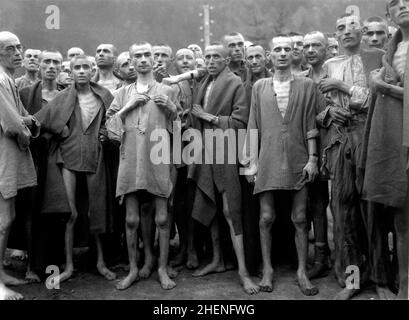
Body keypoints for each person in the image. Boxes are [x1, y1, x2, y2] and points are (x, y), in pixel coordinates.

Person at [244, 34, 320, 296]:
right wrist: (250, 163)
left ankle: (301, 271)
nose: (284, 53)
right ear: (270, 55)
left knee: (299, 218)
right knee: (266, 217)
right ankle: (267, 269)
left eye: (288, 49)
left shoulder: (307, 85)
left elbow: (311, 125)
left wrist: (313, 159)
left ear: (293, 53)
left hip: (299, 157)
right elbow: (253, 125)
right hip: (267, 158)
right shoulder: (260, 87)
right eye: (278, 49)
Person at [317, 13, 383, 299]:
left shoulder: (377, 58)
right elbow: (318, 110)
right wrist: (330, 112)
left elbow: (373, 99)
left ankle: (381, 276)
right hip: (340, 140)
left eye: (352, 26)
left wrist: (341, 87)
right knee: (344, 211)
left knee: (372, 209)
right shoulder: (329, 64)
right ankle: (353, 278)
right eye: (340, 28)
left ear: (363, 31)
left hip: (370, 136)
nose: (347, 32)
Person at [35, 55, 116, 284]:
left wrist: (104, 133)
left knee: (96, 210)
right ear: (70, 72)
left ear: (92, 70)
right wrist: (58, 130)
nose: (81, 71)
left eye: (85, 67)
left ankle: (100, 262)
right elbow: (39, 121)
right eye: (76, 68)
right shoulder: (63, 97)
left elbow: (115, 120)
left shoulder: (104, 95)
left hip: (94, 155)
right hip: (67, 156)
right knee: (71, 213)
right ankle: (69, 266)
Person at [106, 42, 179, 291]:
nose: (143, 59)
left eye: (147, 54)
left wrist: (171, 109)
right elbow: (110, 129)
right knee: (131, 220)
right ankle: (134, 269)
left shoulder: (168, 90)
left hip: (158, 157)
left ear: (152, 59)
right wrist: (130, 106)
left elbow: (179, 127)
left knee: (161, 217)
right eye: (137, 56)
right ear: (132, 61)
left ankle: (161, 269)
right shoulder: (122, 93)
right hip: (131, 159)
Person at [187, 41, 259, 295]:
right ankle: (217, 261)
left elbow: (242, 121)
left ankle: (243, 272)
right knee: (212, 204)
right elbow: (192, 116)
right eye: (207, 57)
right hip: (204, 151)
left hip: (227, 152)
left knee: (231, 210)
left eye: (216, 56)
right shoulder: (203, 83)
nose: (210, 61)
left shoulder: (236, 83)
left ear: (227, 60)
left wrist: (210, 118)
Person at [360, 0, 409, 300]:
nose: (403, 5)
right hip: (391, 140)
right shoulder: (393, 49)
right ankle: (401, 285)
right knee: (400, 217)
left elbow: (385, 89)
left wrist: (384, 88)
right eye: (396, 3)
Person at [18, 50, 64, 282]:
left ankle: (56, 261)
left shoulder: (67, 94)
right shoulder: (25, 93)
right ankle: (31, 263)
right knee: (30, 209)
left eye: (56, 62)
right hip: (33, 157)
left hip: (60, 157)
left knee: (57, 209)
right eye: (47, 61)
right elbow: (19, 123)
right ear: (40, 65)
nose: (51, 66)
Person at [0, 31, 40, 300]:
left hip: (10, 154)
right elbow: (13, 123)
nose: (17, 52)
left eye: (19, 47)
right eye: (9, 48)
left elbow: (22, 115)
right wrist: (28, 133)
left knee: (8, 216)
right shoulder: (0, 80)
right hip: (4, 154)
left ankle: (1, 274)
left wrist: (30, 122)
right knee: (2, 220)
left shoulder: (8, 79)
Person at [302, 31, 332, 279]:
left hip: (338, 143)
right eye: (307, 46)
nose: (311, 50)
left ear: (327, 48)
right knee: (317, 201)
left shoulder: (335, 73)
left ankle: (352, 258)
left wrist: (327, 115)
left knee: (345, 204)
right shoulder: (301, 78)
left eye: (316, 45)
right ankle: (321, 256)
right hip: (311, 146)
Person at [169, 48, 199, 269]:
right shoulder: (170, 86)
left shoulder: (202, 79)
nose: (186, 61)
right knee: (180, 200)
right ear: (174, 62)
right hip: (177, 145)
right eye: (181, 59)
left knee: (199, 196)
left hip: (204, 144)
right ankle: (185, 247)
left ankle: (199, 247)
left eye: (189, 57)